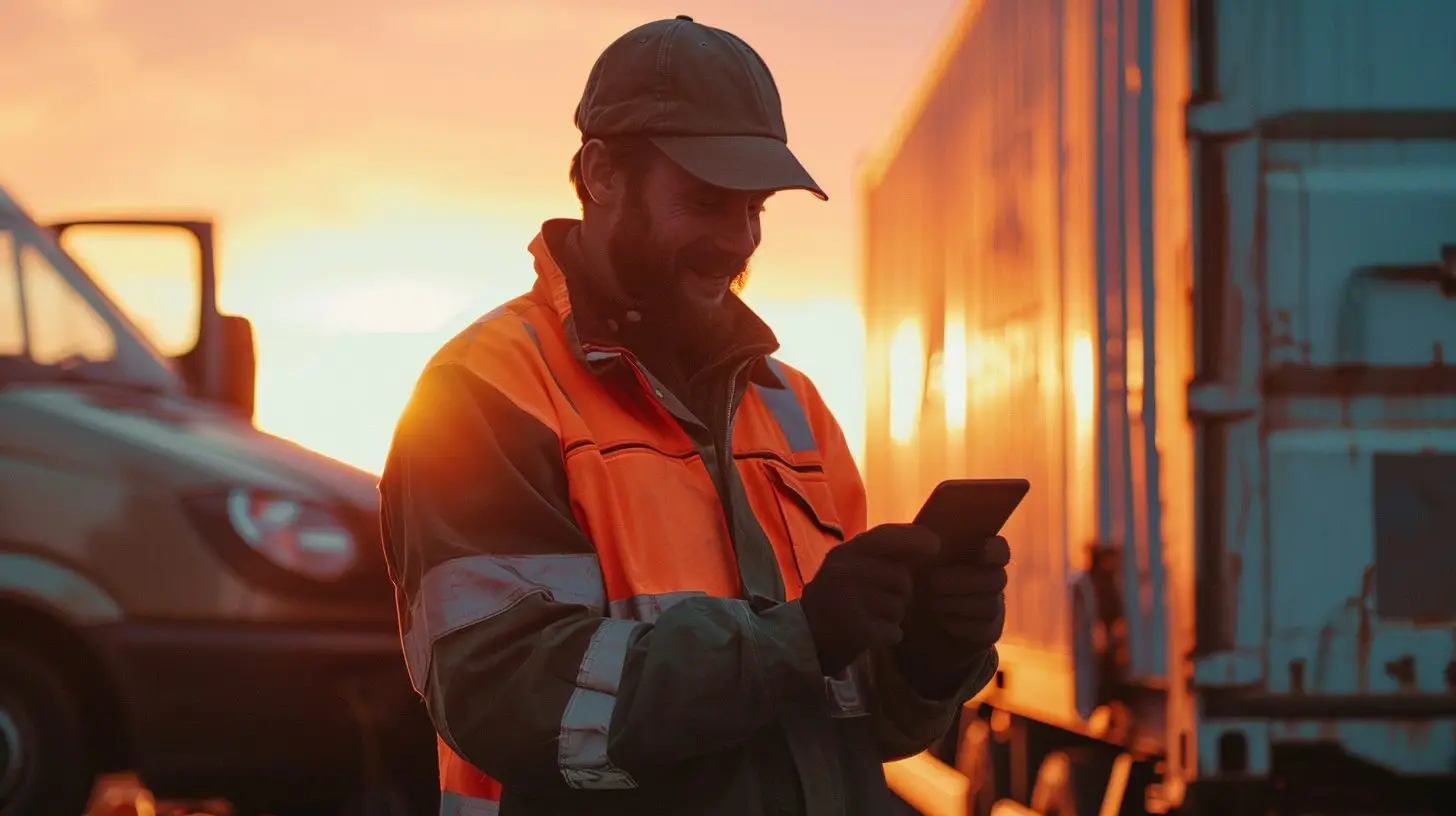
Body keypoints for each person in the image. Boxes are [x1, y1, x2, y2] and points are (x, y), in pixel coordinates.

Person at [379, 15, 1010, 816]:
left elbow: (851, 725)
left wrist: (927, 652)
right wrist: (798, 638)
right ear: (602, 175)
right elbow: (505, 697)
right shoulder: (486, 394)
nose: (738, 241)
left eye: (756, 209)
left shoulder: (794, 409)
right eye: (708, 201)